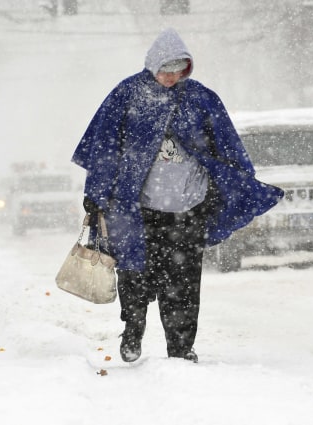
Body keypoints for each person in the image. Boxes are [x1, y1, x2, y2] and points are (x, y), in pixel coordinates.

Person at [72, 28, 283, 363]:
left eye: (178, 71)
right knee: (134, 271)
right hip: (137, 208)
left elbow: (225, 144)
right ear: (152, 66)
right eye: (165, 71)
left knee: (183, 280)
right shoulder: (128, 95)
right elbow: (104, 148)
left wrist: (235, 180)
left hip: (189, 208)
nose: (171, 78)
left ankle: (181, 347)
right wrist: (96, 193)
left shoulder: (200, 99)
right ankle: (133, 330)